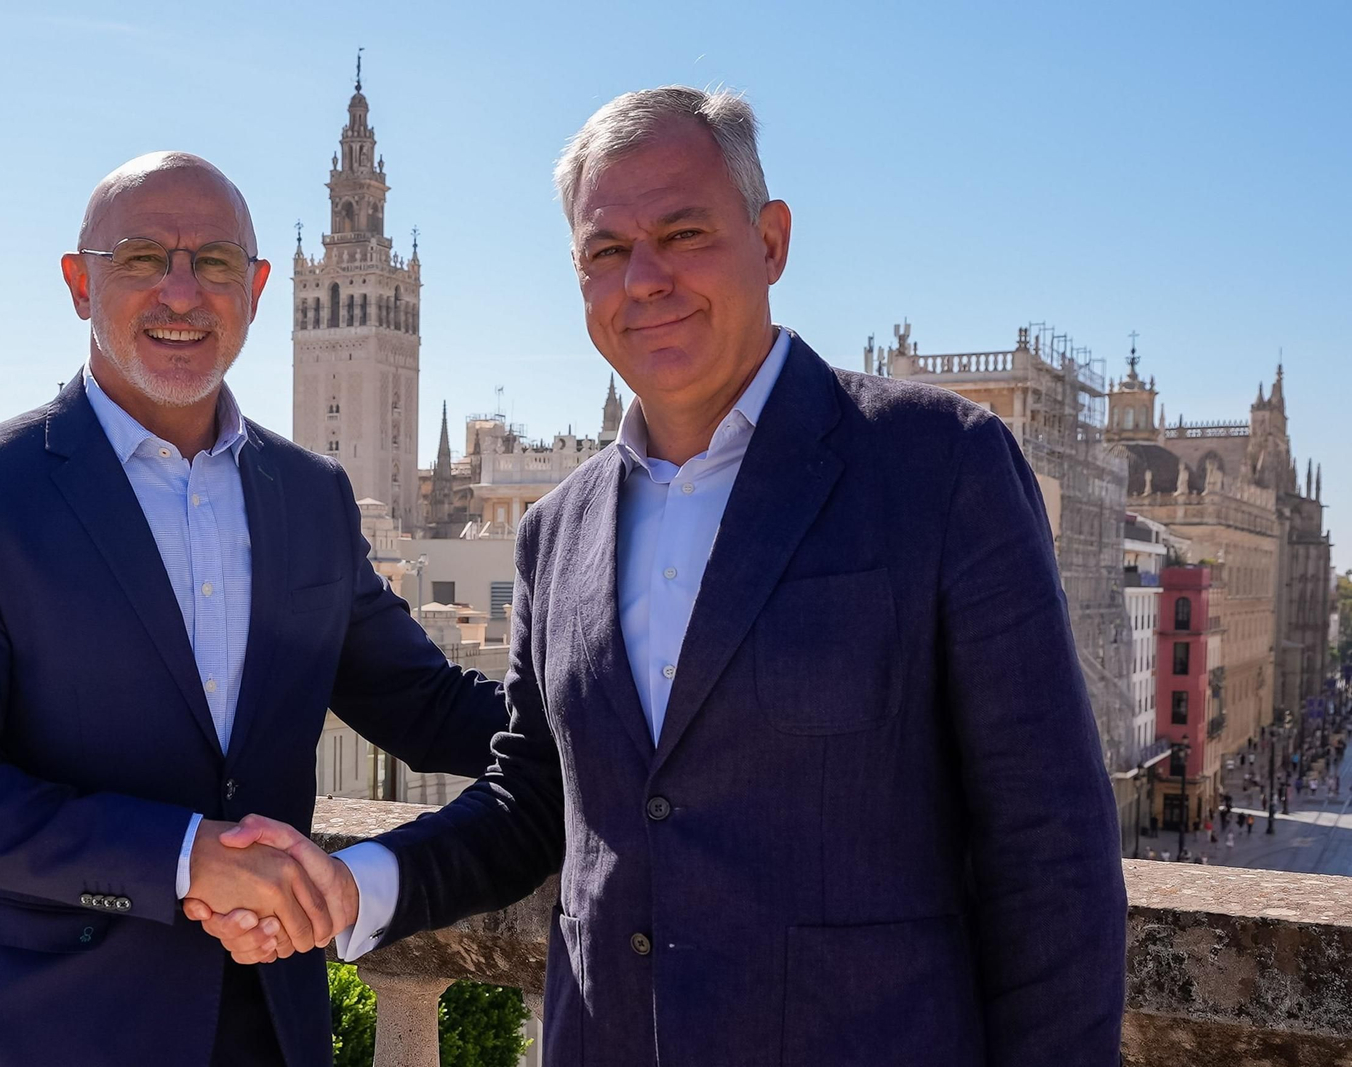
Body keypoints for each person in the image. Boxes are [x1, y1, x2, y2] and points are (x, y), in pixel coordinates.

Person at [191, 87, 1128, 1065]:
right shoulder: (558, 531)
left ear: (770, 241)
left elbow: (1051, 853)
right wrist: (355, 886)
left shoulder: (937, 464)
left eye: (683, 233)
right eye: (606, 251)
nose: (644, 277)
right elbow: (533, 802)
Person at [0, 153, 507, 1067]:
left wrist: (625, 727)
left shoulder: (311, 495)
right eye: (139, 258)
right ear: (79, 283)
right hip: (49, 1033)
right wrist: (183, 855)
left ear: (257, 289)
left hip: (270, 1026)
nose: (180, 292)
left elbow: (427, 705)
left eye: (212, 262)